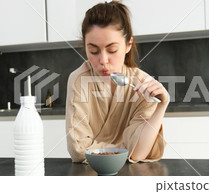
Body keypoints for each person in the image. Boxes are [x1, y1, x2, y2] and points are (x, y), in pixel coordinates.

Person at [65, 1, 169, 163]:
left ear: (128, 45)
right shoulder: (79, 80)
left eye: (112, 50)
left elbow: (139, 153)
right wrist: (127, 147)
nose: (103, 60)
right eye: (93, 51)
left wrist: (161, 106)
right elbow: (79, 150)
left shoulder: (143, 84)